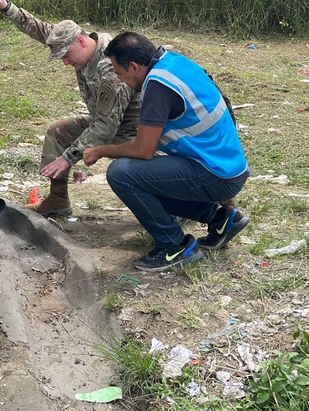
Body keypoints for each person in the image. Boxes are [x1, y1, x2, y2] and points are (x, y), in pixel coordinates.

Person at [83, 32, 250, 273]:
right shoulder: (174, 62)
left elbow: (143, 150)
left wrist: (100, 150)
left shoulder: (158, 86)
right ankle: (221, 219)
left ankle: (174, 245)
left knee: (122, 174)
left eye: (120, 74)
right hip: (227, 166)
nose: (121, 81)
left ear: (134, 66)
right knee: (147, 181)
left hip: (215, 173)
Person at [0, 0, 140, 216]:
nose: (64, 62)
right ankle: (58, 200)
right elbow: (43, 31)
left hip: (131, 132)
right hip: (103, 121)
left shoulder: (110, 68)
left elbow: (106, 127)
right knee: (58, 131)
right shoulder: (80, 44)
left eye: (66, 55)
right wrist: (7, 7)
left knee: (134, 168)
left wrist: (68, 157)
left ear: (81, 41)